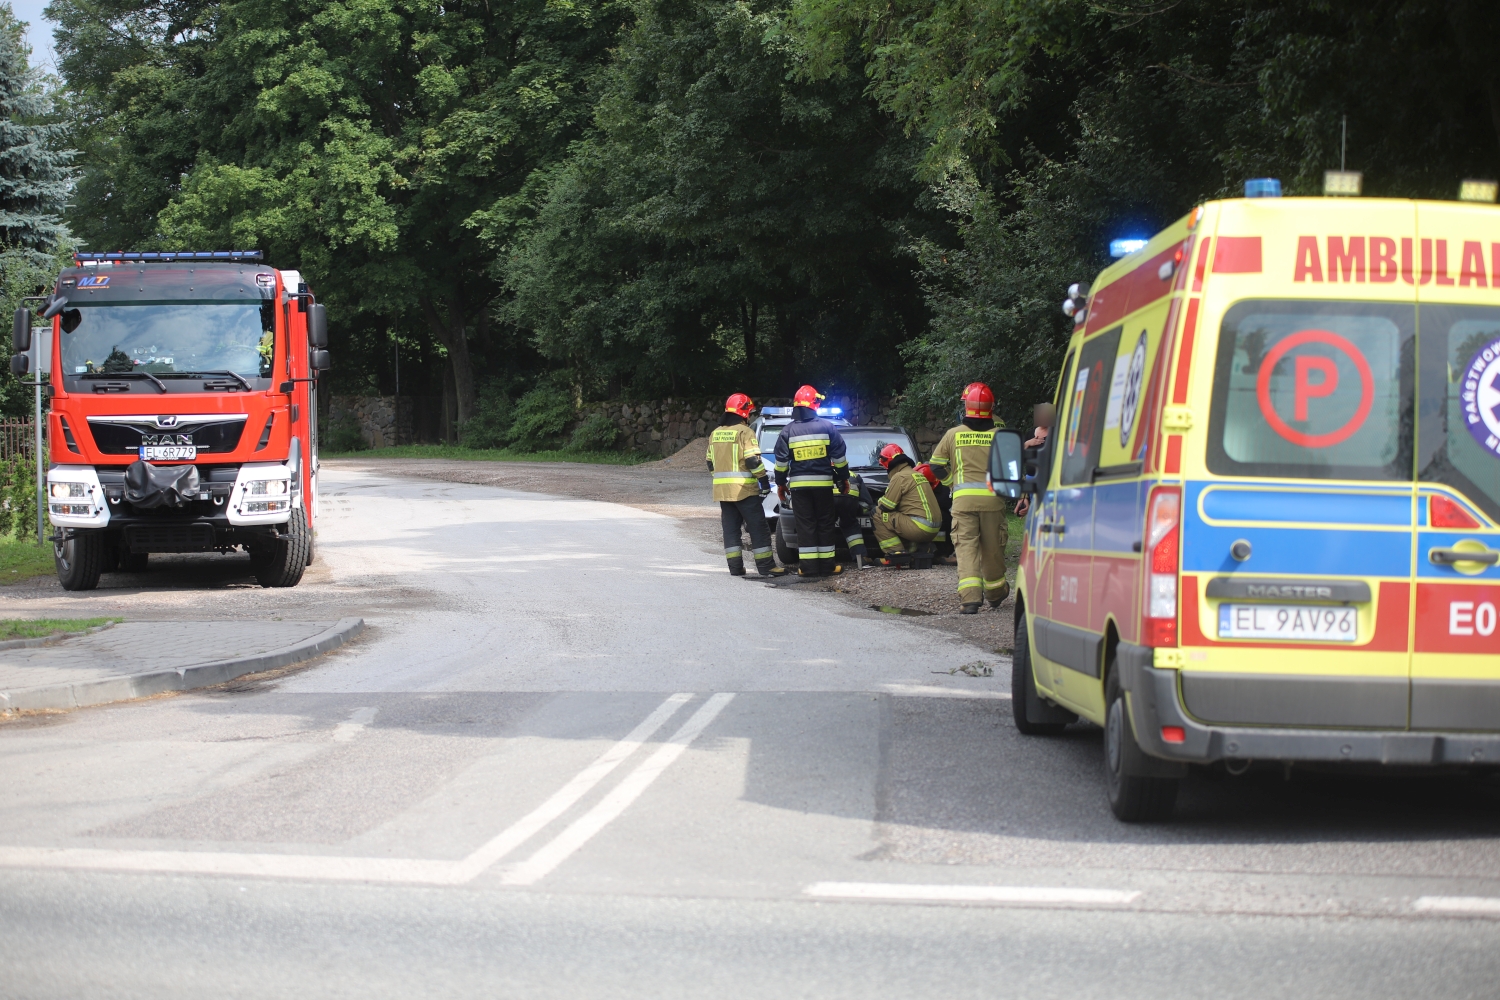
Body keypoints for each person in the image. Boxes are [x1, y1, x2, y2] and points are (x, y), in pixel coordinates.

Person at [928, 382, 1009, 614]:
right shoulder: (1001, 435)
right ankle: (995, 593)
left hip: (963, 503)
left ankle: (971, 599)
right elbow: (1011, 468)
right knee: (993, 548)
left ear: (967, 409)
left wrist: (952, 482)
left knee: (966, 549)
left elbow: (935, 465)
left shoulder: (953, 434)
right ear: (991, 409)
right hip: (993, 501)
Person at [772, 384, 849, 577]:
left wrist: (781, 484)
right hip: (823, 486)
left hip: (799, 488)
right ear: (814, 404)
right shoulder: (827, 427)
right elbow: (839, 458)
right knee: (825, 523)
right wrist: (843, 479)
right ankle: (827, 566)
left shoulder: (787, 431)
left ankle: (807, 568)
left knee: (805, 524)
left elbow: (781, 464)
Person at [707, 393, 783, 577]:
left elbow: (710, 463)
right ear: (743, 412)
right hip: (744, 491)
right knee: (758, 527)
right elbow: (752, 461)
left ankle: (735, 568)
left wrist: (721, 479)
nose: (749, 416)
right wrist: (763, 481)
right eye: (748, 412)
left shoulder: (715, 434)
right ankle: (766, 567)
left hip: (723, 491)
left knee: (731, 529)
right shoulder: (745, 432)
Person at [872, 444, 940, 565]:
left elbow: (886, 506)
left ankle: (896, 554)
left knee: (877, 513)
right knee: (900, 516)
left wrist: (878, 501)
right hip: (933, 528)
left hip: (919, 527)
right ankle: (914, 550)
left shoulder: (899, 477)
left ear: (889, 463)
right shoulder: (917, 474)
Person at [1013, 401, 1055, 518]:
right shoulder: (1030, 433)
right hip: (1031, 478)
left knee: (1048, 509)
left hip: (1048, 477)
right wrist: (1028, 443)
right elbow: (1018, 456)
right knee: (1036, 510)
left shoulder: (1055, 433)